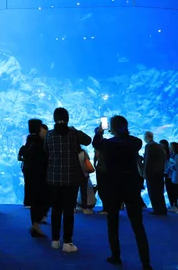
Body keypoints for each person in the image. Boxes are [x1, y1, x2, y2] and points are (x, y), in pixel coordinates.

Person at [93, 116, 152, 270]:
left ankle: (116, 256)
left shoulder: (108, 144)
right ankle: (145, 262)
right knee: (138, 225)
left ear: (112, 128)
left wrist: (99, 132)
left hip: (113, 187)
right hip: (131, 187)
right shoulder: (135, 142)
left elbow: (96, 143)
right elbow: (130, 142)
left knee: (113, 223)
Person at [44, 107, 91, 253]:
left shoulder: (49, 135)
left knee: (56, 209)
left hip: (53, 178)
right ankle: (68, 242)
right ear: (68, 118)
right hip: (71, 179)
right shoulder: (73, 134)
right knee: (69, 211)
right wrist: (75, 129)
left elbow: (46, 152)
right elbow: (88, 140)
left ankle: (55, 240)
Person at [22, 119, 49, 237]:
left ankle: (35, 224)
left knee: (35, 202)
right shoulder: (39, 142)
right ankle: (36, 224)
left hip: (30, 176)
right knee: (42, 200)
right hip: (41, 176)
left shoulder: (29, 140)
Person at [143, 131, 167, 216]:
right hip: (160, 172)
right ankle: (163, 209)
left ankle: (157, 210)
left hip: (151, 173)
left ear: (146, 137)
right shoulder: (159, 146)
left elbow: (147, 160)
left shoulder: (149, 146)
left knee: (153, 192)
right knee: (159, 192)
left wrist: (145, 172)